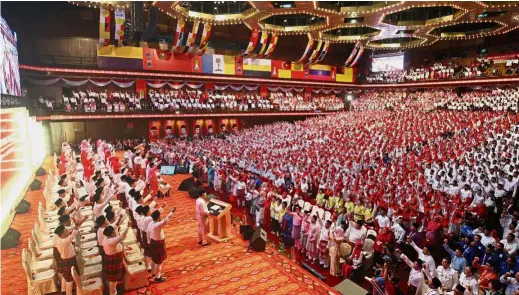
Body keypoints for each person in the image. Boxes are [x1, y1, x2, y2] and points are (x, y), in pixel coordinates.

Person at [147, 208, 176, 282]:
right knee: (159, 262)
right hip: (158, 244)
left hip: (152, 242)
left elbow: (148, 233)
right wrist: (172, 211)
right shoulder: (157, 225)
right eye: (160, 216)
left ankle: (153, 274)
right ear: (158, 217)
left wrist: (149, 242)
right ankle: (158, 277)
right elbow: (166, 219)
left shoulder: (150, 223)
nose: (161, 217)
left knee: (154, 260)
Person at [102, 225, 129, 295]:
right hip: (114, 261)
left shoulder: (106, 238)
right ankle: (113, 293)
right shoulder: (111, 242)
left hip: (114, 260)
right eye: (114, 231)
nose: (115, 232)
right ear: (111, 233)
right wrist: (127, 227)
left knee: (114, 279)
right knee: (113, 280)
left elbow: (119, 238)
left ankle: (114, 291)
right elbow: (121, 237)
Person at [54, 224, 79, 295]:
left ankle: (64, 290)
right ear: (62, 234)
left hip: (68, 259)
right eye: (66, 230)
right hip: (69, 261)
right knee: (69, 280)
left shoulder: (60, 240)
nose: (68, 231)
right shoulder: (64, 241)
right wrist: (76, 227)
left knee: (67, 277)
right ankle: (68, 293)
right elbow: (73, 235)